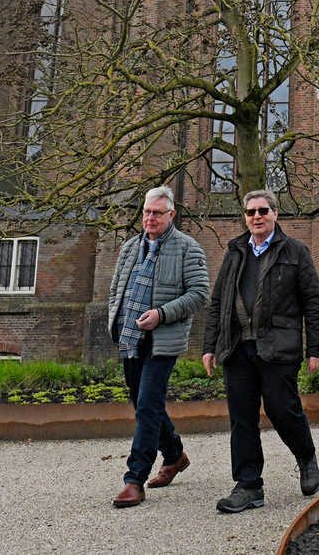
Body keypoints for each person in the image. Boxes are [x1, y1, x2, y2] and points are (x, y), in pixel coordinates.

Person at [202, 189, 319, 513]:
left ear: (275, 214)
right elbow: (218, 303)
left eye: (262, 211)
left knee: (282, 409)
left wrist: (315, 348)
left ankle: (305, 456)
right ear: (245, 217)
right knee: (241, 418)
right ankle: (248, 486)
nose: (256, 216)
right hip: (237, 348)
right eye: (250, 211)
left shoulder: (296, 251)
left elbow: (313, 301)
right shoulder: (234, 252)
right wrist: (210, 346)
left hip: (278, 348)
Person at [107, 186, 211, 508]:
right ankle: (175, 455)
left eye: (157, 213)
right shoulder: (129, 248)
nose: (150, 218)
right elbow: (116, 290)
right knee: (143, 404)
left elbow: (200, 294)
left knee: (148, 406)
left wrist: (162, 314)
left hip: (162, 341)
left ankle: (133, 480)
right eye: (147, 213)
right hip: (129, 338)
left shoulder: (188, 248)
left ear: (171, 216)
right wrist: (116, 315)